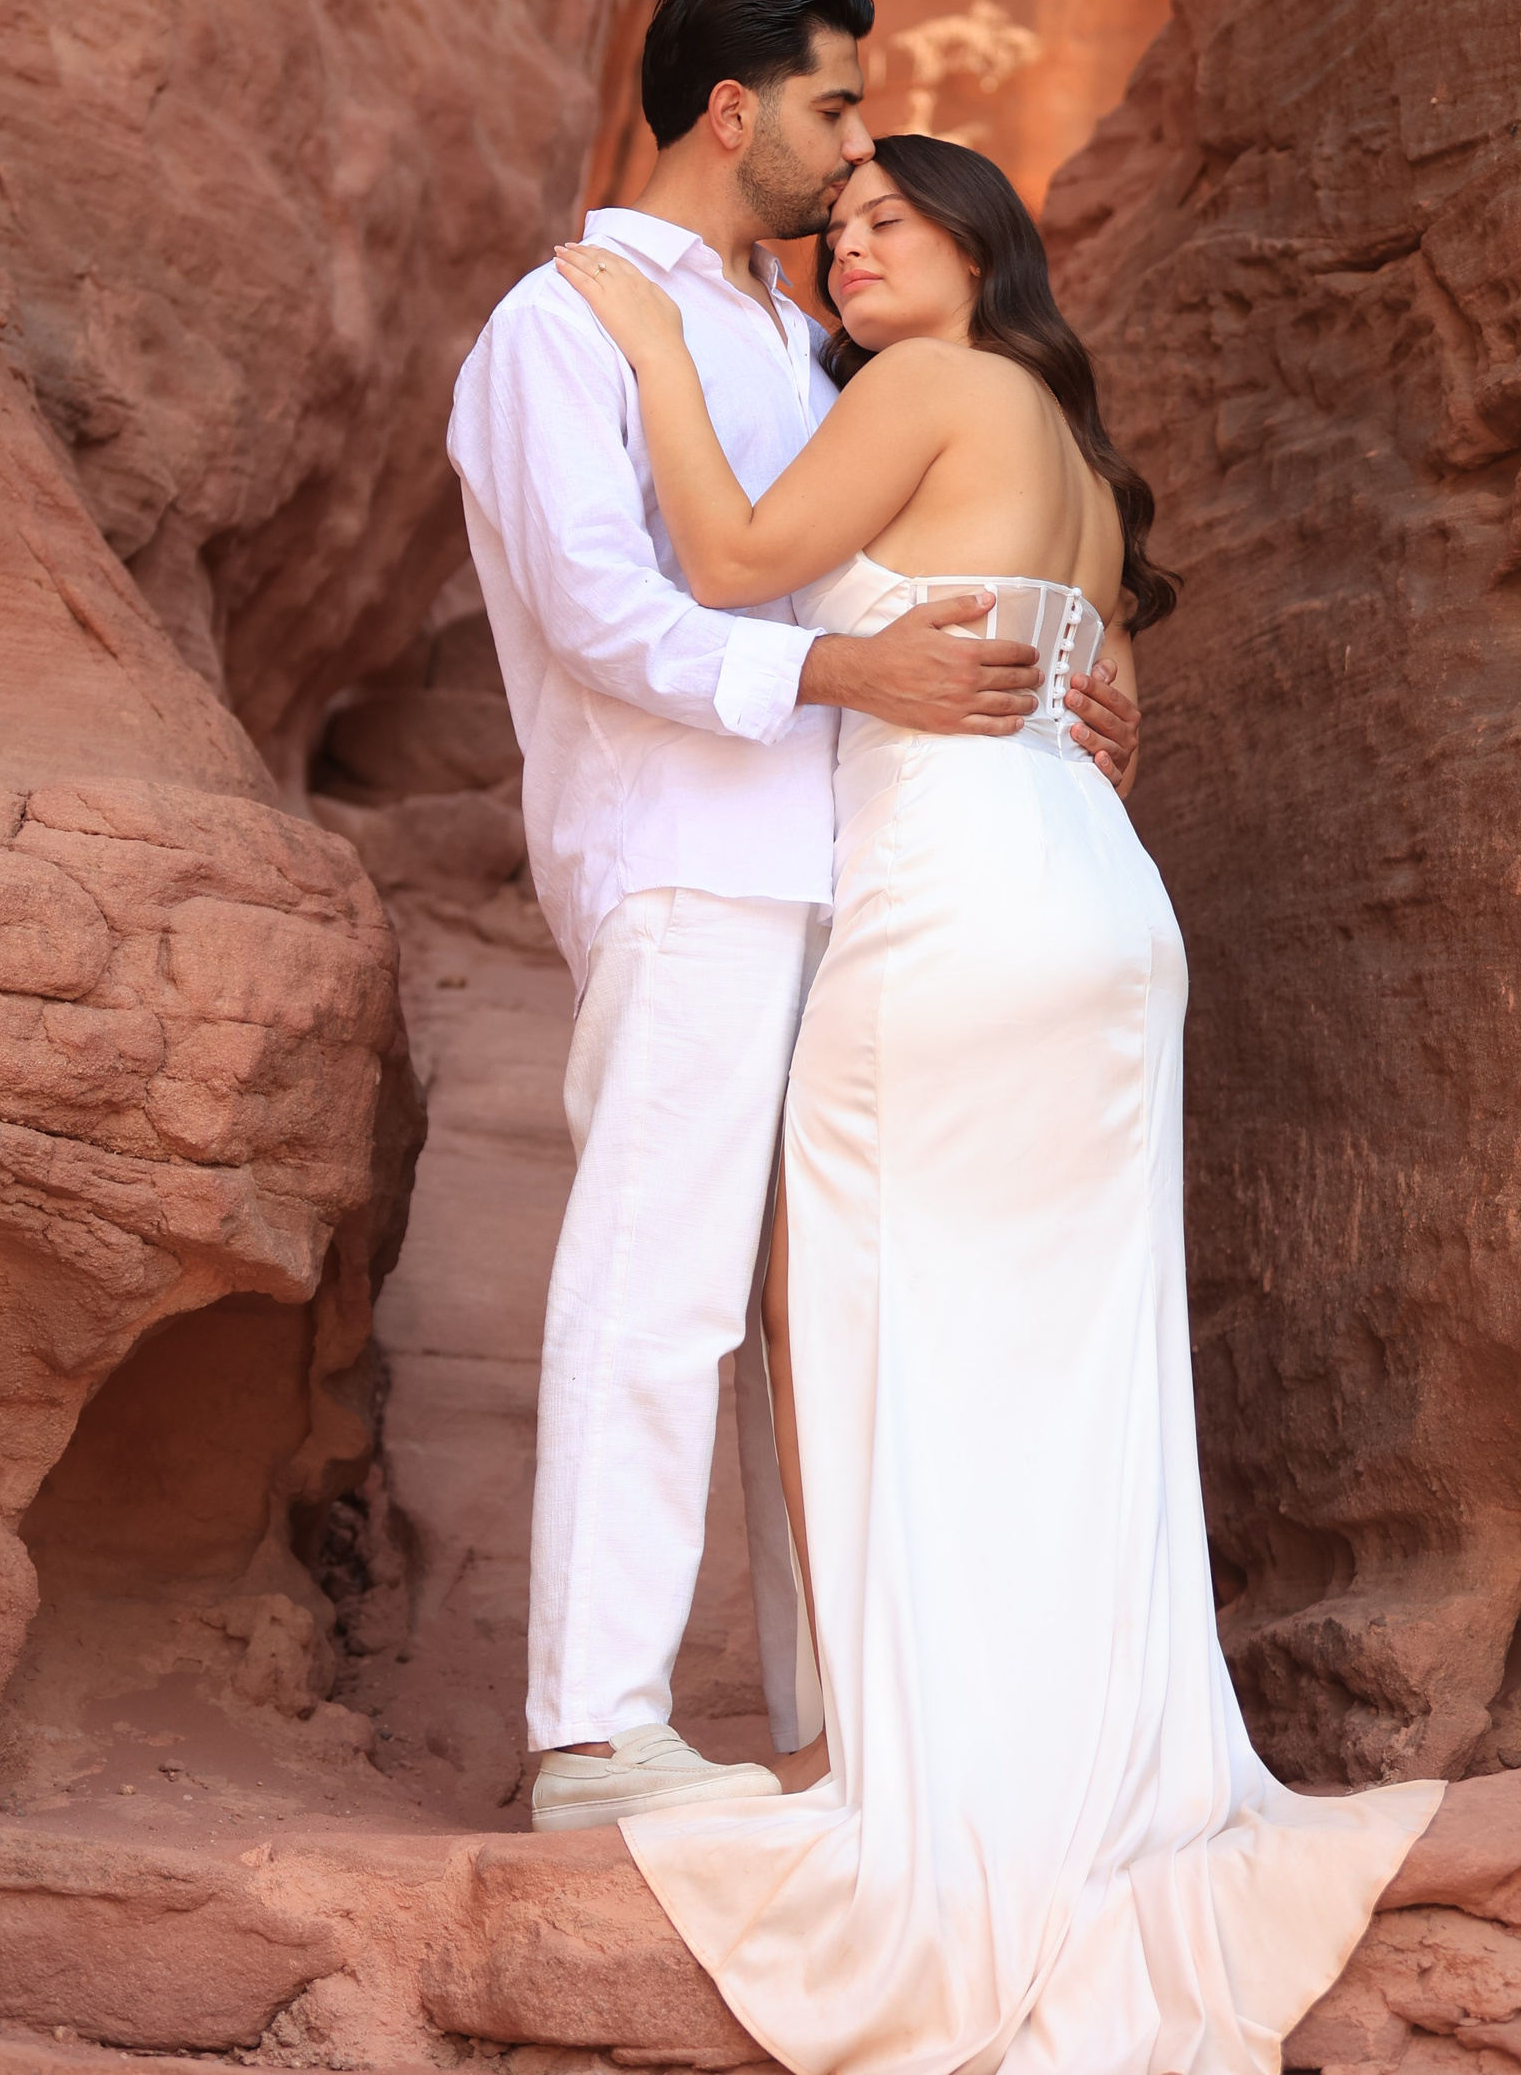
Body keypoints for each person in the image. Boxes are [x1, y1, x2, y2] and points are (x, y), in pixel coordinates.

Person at [549, 135, 1443, 2075]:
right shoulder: (1074, 453)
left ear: (978, 249)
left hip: (955, 905)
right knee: (1070, 1359)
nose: (853, 250)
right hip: (1100, 906)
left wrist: (650, 348)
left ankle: (919, 1775)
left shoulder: (932, 387)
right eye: (842, 227)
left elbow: (729, 564)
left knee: (866, 1316)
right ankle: (1067, 1765)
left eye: (894, 221)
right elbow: (1101, 703)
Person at [446, 0, 1139, 1835]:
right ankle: (597, 1733)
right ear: (733, 108)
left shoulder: (801, 339)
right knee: (662, 1284)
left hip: (878, 863)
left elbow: (945, 538)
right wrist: (842, 669)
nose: (856, 156)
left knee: (822, 1312)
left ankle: (844, 1719)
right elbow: (602, 613)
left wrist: (1080, 678)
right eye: (837, 108)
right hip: (694, 860)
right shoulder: (563, 322)